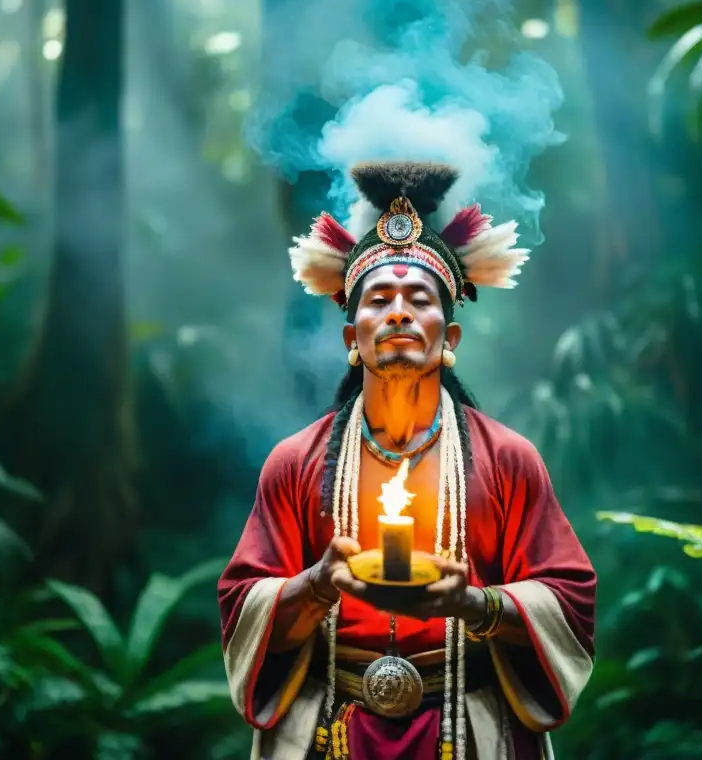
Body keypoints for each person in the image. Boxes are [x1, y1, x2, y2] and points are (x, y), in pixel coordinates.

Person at [218, 162, 597, 760]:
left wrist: (476, 604)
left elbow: (570, 599)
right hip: (332, 733)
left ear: (449, 338)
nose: (398, 312)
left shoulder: (508, 459)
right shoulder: (295, 462)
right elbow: (243, 599)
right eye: (379, 300)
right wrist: (316, 586)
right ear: (352, 340)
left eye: (418, 299)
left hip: (469, 732)